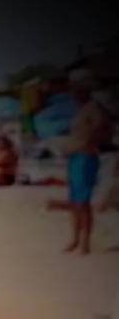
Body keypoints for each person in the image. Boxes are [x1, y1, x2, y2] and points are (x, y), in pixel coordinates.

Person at [63, 70, 109, 255]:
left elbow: (102, 129)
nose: (73, 93)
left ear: (84, 89)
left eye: (75, 89)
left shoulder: (93, 108)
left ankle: (85, 243)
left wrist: (90, 144)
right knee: (74, 201)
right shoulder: (81, 109)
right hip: (75, 156)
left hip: (85, 158)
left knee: (83, 201)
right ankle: (75, 239)